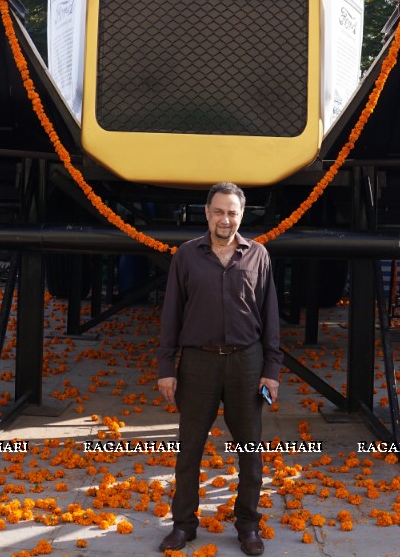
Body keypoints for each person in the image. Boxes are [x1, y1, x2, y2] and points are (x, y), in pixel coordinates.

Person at [156, 182, 281, 556]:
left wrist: (271, 370)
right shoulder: (186, 256)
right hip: (198, 363)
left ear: (241, 215)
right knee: (189, 448)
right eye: (219, 211)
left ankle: (247, 526)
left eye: (233, 212)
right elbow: (171, 313)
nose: (225, 219)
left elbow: (270, 316)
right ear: (207, 213)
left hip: (247, 362)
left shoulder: (258, 255)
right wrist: (167, 366)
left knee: (250, 449)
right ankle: (183, 525)